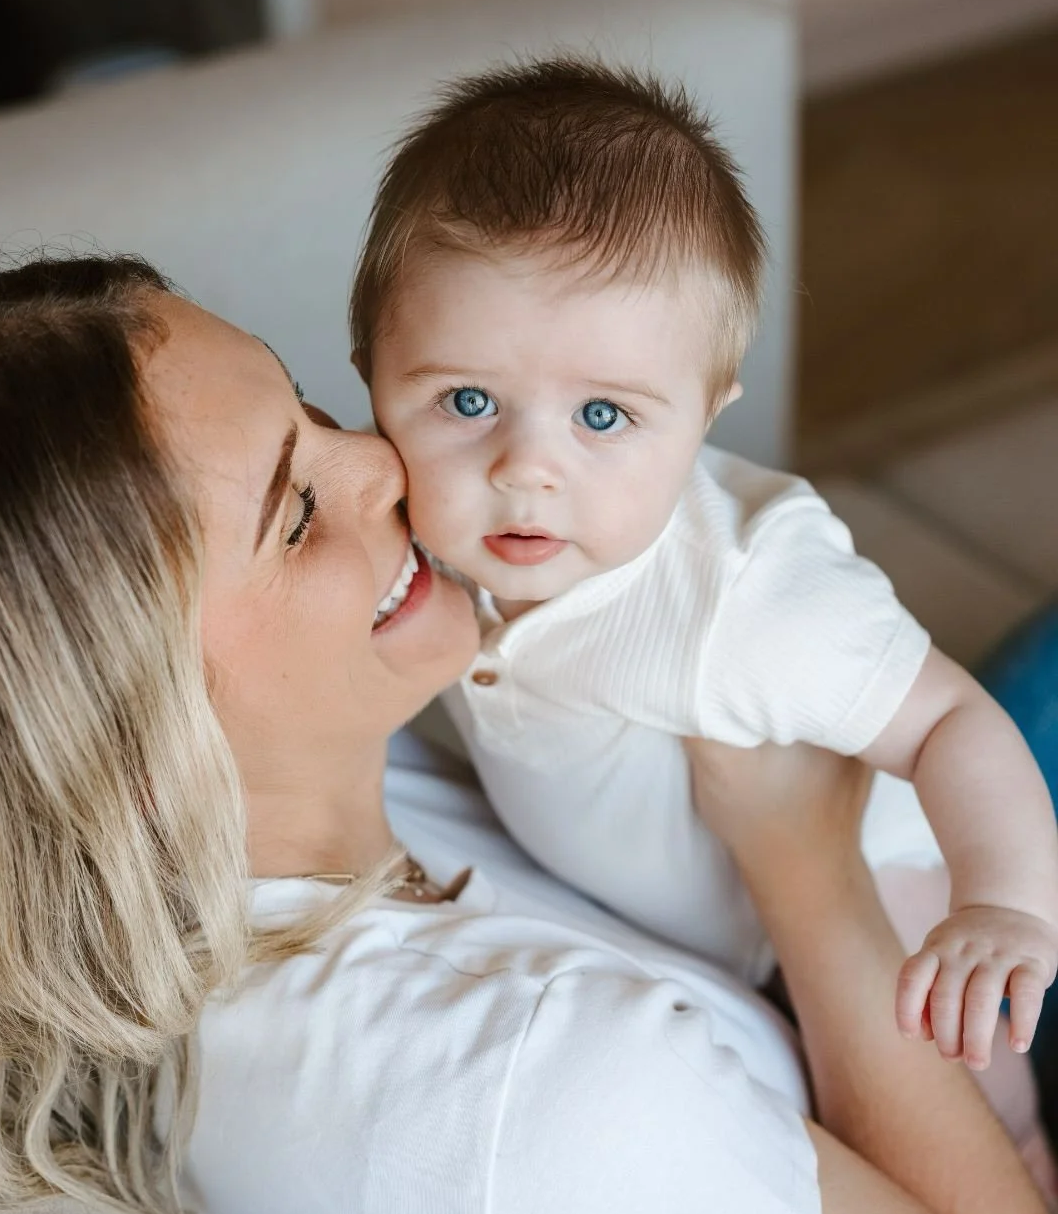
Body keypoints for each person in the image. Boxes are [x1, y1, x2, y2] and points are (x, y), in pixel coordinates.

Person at [0, 254, 1058, 1214]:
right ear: (118, 742)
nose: (385, 462)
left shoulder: (270, 826)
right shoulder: (548, 1118)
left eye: (313, 410)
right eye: (295, 516)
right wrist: (807, 860)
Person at [355, 54, 1058, 1070]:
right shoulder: (402, 518)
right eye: (467, 401)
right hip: (713, 939)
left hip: (885, 894)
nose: (525, 471)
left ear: (704, 414)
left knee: (971, 1068)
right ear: (372, 377)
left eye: (604, 416)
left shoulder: (745, 596)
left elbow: (950, 720)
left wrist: (1001, 906)